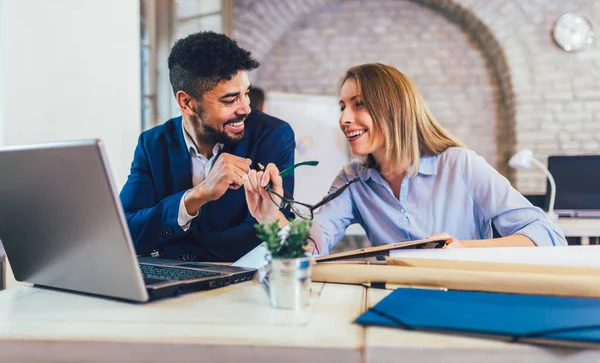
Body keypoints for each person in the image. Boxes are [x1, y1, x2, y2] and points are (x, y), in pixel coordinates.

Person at [242, 63, 567, 255]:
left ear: (392, 108)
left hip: (468, 303)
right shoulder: (352, 180)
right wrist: (270, 217)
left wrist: (462, 250)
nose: (344, 118)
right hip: (394, 307)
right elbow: (309, 251)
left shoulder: (460, 165)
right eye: (342, 107)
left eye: (358, 104)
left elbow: (549, 236)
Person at [120, 32, 295, 262]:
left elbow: (266, 232)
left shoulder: (273, 136)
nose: (246, 108)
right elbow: (125, 231)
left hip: (244, 284)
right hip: (166, 284)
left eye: (246, 94)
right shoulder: (152, 145)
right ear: (187, 103)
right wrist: (196, 196)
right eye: (230, 100)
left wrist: (169, 248)